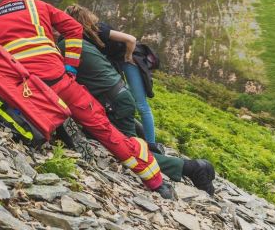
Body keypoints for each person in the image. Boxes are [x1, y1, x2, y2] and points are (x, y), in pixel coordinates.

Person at [0, 0, 172, 197]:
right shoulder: (37, 6)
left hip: (31, 91)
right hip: (61, 81)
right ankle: (157, 183)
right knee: (102, 126)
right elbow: (74, 28)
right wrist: (71, 67)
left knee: (42, 121)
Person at [62, 35, 216, 194]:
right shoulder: (83, 42)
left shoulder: (64, 46)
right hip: (119, 96)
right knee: (128, 137)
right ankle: (155, 148)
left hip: (112, 103)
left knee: (128, 150)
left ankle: (193, 168)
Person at [66, 4, 157, 149]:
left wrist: (128, 56)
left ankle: (153, 145)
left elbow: (131, 39)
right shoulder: (85, 34)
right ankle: (140, 136)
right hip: (115, 61)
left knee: (141, 104)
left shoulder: (99, 29)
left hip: (129, 60)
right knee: (124, 97)